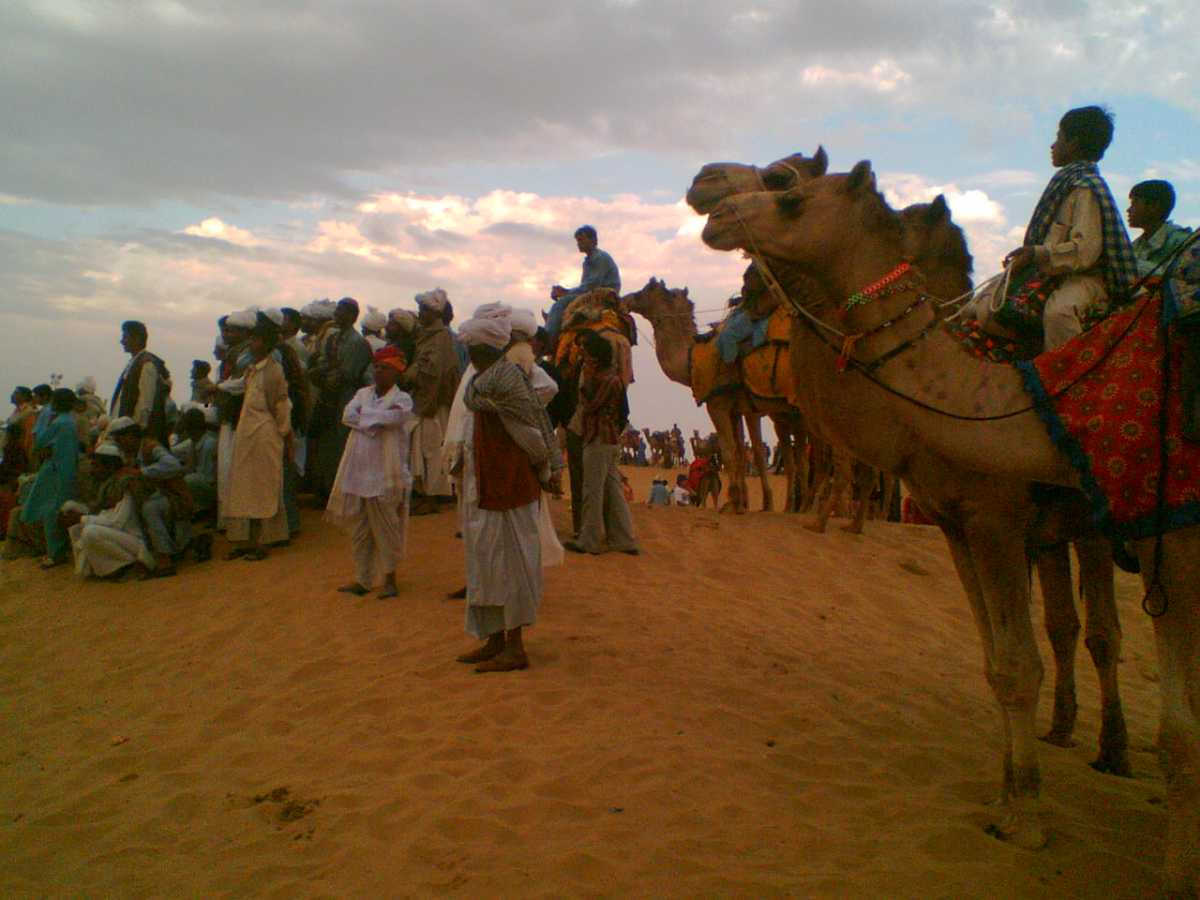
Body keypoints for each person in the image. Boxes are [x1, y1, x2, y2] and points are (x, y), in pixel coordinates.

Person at [455, 313, 562, 673]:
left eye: (471, 345)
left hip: (511, 484)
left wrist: (544, 467)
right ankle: (495, 640)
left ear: (482, 346)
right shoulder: (485, 380)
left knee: (513, 565)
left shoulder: (505, 380)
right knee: (486, 562)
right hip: (487, 483)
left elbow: (532, 432)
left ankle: (515, 647)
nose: (468, 350)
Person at [1002, 105, 1138, 350]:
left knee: (1059, 314)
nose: (1053, 146)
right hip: (1056, 270)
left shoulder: (1086, 187)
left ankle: (1067, 382)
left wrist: (1037, 253)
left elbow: (1085, 251)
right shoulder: (1067, 183)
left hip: (1086, 276)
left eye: (1058, 138)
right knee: (984, 305)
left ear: (1073, 143)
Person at [325, 346, 414, 599]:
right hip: (358, 468)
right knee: (361, 528)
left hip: (386, 472)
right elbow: (347, 416)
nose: (378, 372)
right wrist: (375, 420)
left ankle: (389, 579)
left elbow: (395, 418)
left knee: (387, 526)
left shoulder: (403, 398)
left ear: (396, 372)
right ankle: (363, 578)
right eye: (376, 367)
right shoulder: (362, 393)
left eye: (384, 368)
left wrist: (366, 418)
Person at [225, 313, 293, 561]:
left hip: (265, 435)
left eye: (254, 340)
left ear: (265, 343)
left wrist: (285, 437)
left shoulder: (274, 371)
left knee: (263, 488)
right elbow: (239, 388)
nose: (251, 345)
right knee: (245, 487)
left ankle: (264, 542)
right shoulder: (252, 370)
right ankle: (248, 541)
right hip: (248, 434)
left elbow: (282, 406)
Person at [565, 333, 639, 556]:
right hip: (606, 439)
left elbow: (590, 406)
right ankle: (623, 539)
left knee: (592, 490)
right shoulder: (611, 378)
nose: (583, 356)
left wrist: (585, 380)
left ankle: (590, 541)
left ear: (595, 356)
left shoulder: (606, 380)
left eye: (586, 353)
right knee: (612, 490)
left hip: (599, 439)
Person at [401, 289, 461, 515]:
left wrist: (410, 375)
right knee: (424, 450)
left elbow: (433, 372)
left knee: (432, 451)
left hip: (434, 403)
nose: (420, 313)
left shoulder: (440, 337)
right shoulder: (429, 336)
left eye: (423, 310)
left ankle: (433, 496)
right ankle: (425, 493)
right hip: (426, 400)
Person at [309, 298, 372, 500]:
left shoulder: (357, 343)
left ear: (353, 316)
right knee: (327, 444)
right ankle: (327, 490)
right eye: (337, 310)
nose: (337, 314)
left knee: (342, 444)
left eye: (342, 311)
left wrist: (325, 375)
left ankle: (342, 492)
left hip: (346, 399)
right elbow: (325, 364)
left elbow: (349, 373)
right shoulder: (333, 338)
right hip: (329, 398)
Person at [20, 387, 80, 568]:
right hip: (66, 470)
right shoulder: (70, 421)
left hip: (54, 470)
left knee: (50, 511)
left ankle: (54, 553)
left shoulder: (58, 422)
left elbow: (39, 442)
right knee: (58, 508)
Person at [546, 225, 621, 339]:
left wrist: (566, 292)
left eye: (581, 240)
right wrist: (566, 291)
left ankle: (548, 339)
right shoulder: (589, 261)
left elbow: (590, 285)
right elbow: (587, 286)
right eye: (578, 241)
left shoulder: (599, 258)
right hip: (595, 292)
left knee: (559, 305)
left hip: (602, 295)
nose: (578, 243)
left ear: (593, 240)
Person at [110, 320, 172, 443]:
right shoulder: (135, 362)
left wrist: (136, 431)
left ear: (137, 339)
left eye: (125, 337)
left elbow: (145, 403)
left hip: (134, 436)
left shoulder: (147, 364)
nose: (122, 341)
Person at [1127, 180, 1192, 279]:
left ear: (1153, 206)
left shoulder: (1183, 242)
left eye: (1134, 203)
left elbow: (1175, 276)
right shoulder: (1136, 246)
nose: (1128, 210)